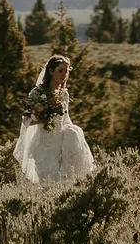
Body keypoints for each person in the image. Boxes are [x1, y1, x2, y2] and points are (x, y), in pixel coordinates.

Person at [12, 53, 95, 184]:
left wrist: (72, 136)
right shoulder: (37, 93)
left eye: (66, 71)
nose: (64, 74)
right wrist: (43, 118)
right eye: (60, 71)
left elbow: (66, 118)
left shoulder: (64, 94)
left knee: (66, 178)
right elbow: (26, 120)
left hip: (62, 143)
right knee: (48, 182)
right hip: (44, 144)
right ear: (51, 71)